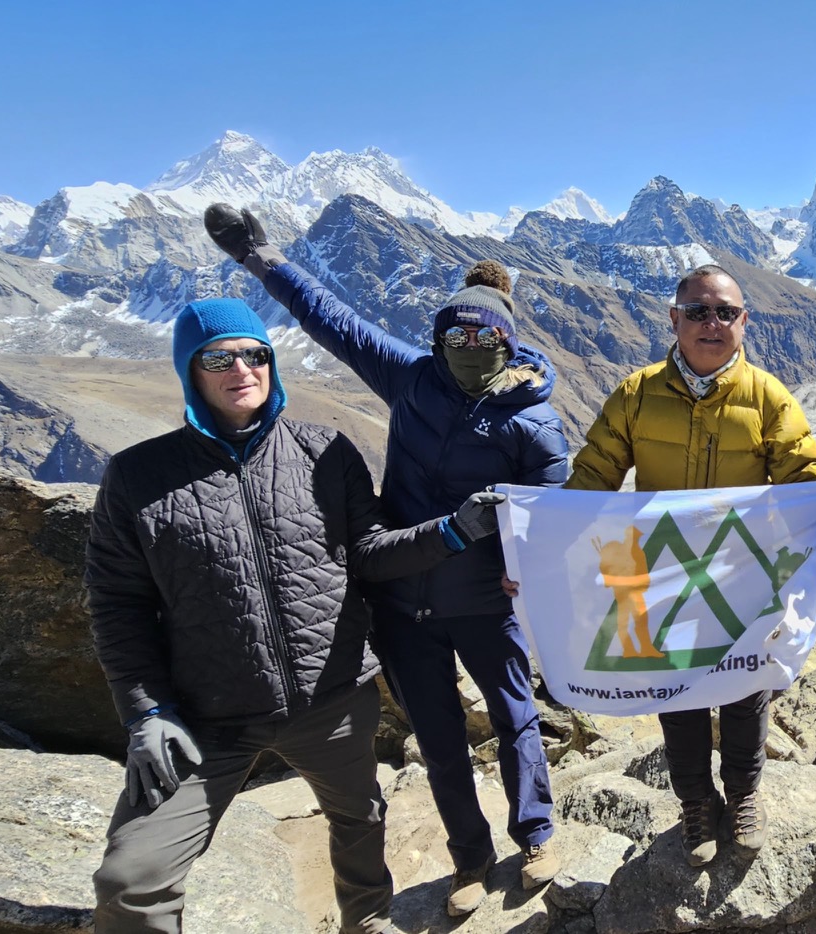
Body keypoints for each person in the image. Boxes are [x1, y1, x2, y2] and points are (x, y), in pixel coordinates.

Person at [87, 298, 506, 934]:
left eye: (255, 354)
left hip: (331, 700)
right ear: (190, 370)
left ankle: (367, 921)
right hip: (205, 717)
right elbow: (118, 605)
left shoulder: (323, 450)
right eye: (218, 359)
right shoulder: (138, 477)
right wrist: (145, 710)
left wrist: (451, 532)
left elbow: (368, 552)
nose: (241, 369)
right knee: (131, 877)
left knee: (360, 818)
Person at [204, 205, 568, 917]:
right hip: (403, 602)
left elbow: (551, 517)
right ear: (438, 339)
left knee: (515, 718)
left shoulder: (533, 420)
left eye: (484, 336)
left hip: (485, 600)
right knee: (439, 740)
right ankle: (470, 860)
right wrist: (258, 256)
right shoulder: (412, 378)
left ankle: (537, 836)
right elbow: (329, 319)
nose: (468, 346)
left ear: (508, 340)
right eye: (455, 335)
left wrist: (530, 574)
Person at [561, 263, 816, 866]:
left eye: (725, 312)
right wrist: (547, 548)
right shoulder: (636, 394)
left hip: (742, 573)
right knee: (676, 691)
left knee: (745, 687)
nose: (712, 322)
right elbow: (594, 475)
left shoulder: (769, 398)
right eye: (699, 311)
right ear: (674, 318)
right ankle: (696, 802)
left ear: (744, 322)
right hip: (666, 574)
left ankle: (744, 793)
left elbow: (803, 481)